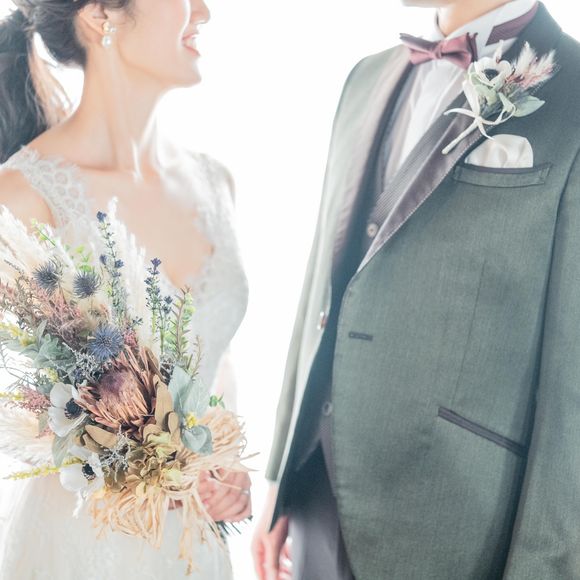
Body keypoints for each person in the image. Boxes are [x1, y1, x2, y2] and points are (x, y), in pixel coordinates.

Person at [253, 0, 580, 578]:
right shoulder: (365, 77)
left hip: (457, 520)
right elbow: (320, 282)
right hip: (315, 486)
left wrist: (544, 566)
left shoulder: (573, 92)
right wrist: (280, 476)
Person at [0, 0, 251, 577]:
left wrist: (226, 461)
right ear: (101, 17)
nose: (204, 12)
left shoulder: (216, 182)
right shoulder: (22, 197)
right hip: (84, 547)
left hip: (194, 546)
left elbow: (217, 355)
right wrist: (122, 450)